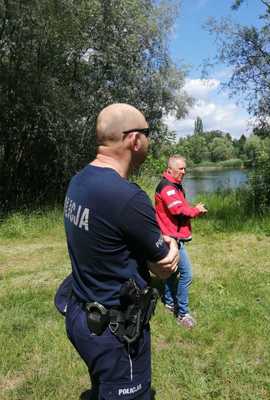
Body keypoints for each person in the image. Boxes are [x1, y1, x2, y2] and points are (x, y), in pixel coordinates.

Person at [63, 103, 179, 400]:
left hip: (82, 317)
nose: (149, 141)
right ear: (135, 139)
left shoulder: (79, 181)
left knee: (102, 387)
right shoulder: (127, 197)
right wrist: (173, 243)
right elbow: (163, 265)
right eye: (148, 133)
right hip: (115, 332)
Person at [155, 155, 207, 329]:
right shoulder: (167, 187)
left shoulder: (173, 184)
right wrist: (196, 211)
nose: (184, 172)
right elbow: (177, 209)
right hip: (171, 239)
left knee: (172, 273)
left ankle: (169, 304)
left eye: (185, 168)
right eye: (181, 169)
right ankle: (183, 314)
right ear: (170, 169)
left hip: (170, 236)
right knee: (186, 274)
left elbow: (179, 205)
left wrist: (192, 208)